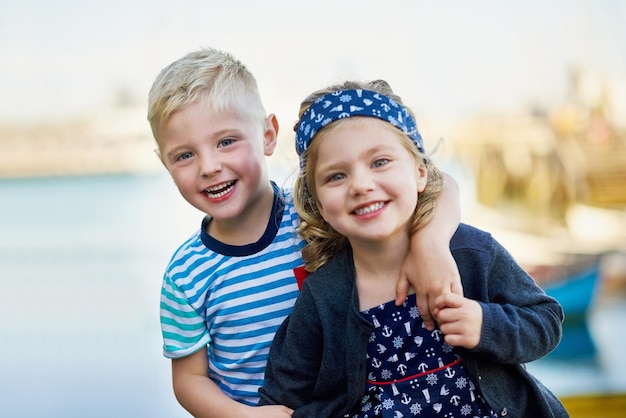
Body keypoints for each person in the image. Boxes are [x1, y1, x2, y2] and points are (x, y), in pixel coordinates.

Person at [147, 48, 463, 417]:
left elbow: (439, 185)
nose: (209, 166)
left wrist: (431, 244)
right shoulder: (185, 275)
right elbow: (188, 381)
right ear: (164, 162)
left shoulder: (318, 217)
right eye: (184, 155)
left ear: (268, 135)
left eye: (226, 142)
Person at [259, 80, 569, 417]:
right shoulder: (324, 295)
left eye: (379, 162)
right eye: (336, 176)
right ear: (318, 202)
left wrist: (485, 324)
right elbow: (282, 394)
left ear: (420, 173)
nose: (361, 185)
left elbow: (547, 321)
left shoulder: (470, 252)